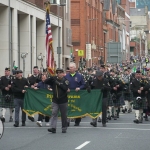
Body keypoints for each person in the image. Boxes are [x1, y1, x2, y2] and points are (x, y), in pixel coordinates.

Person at [45, 68, 69, 133]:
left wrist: (58, 83)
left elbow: (65, 88)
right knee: (54, 113)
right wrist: (52, 77)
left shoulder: (65, 80)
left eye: (60, 73)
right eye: (57, 73)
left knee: (63, 115)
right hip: (55, 100)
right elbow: (45, 81)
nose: (59, 74)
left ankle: (64, 127)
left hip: (63, 100)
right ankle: (53, 127)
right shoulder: (54, 79)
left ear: (63, 73)